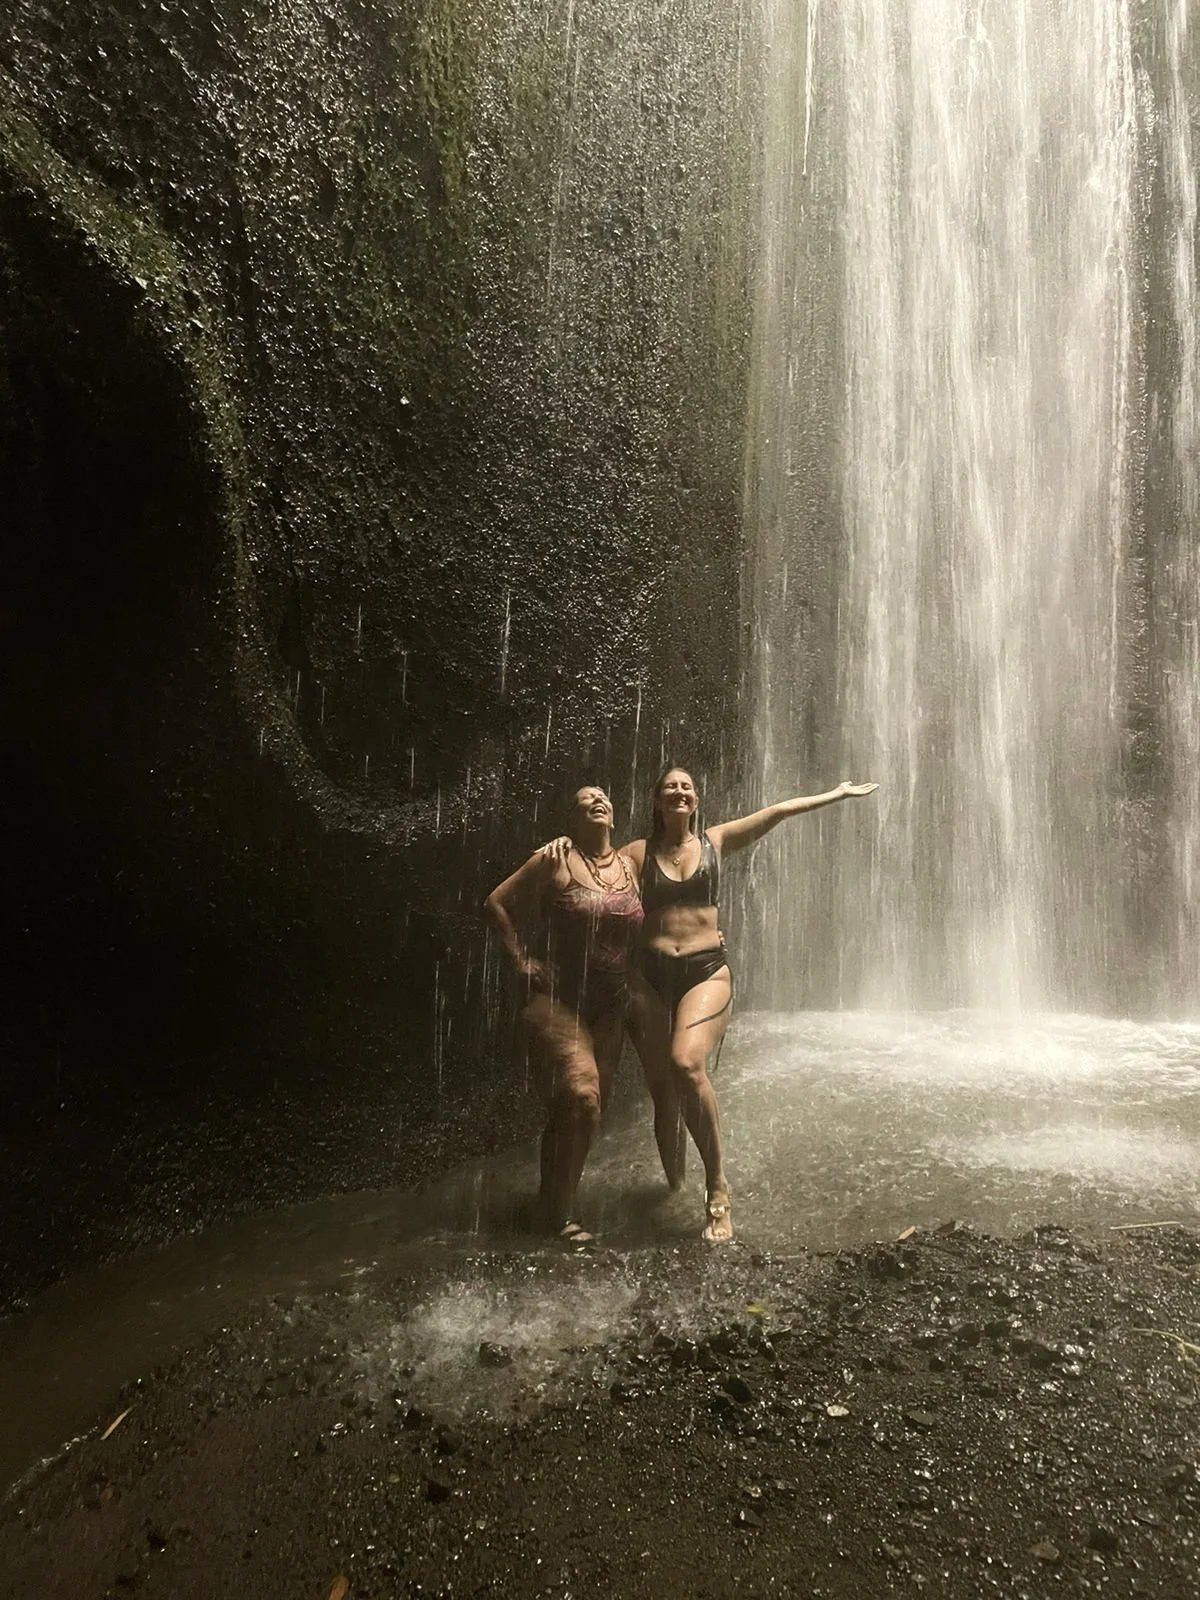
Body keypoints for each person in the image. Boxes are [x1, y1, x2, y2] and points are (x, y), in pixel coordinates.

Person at [624, 766, 879, 1244]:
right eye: (670, 787)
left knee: (685, 1065)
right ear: (657, 802)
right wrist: (555, 849)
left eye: (687, 786)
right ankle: (671, 1190)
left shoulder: (715, 843)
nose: (680, 792)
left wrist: (837, 792)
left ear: (695, 800)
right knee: (662, 1093)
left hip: (706, 972)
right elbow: (593, 870)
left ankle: (717, 1186)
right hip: (651, 980)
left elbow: (776, 813)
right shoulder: (636, 853)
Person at [483, 784, 643, 1245]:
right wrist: (521, 961)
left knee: (579, 1112)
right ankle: (560, 1214)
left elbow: (677, 879)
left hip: (610, 1008)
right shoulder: (554, 859)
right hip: (558, 1002)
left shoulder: (631, 865)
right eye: (582, 801)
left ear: (613, 817)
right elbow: (495, 902)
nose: (596, 802)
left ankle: (550, 1203)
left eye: (603, 799)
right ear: (570, 822)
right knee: (582, 1094)